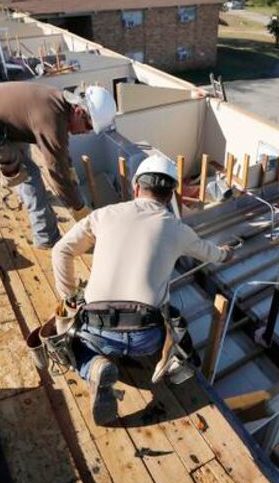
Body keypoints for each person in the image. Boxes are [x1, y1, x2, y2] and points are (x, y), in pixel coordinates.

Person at [51, 155, 234, 424]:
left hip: (96, 331)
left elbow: (61, 251)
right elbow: (214, 254)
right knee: (173, 318)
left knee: (72, 347)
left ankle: (94, 367)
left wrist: (68, 297)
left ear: (137, 187)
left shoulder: (103, 215)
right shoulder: (178, 229)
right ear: (170, 193)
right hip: (145, 340)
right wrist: (226, 253)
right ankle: (169, 363)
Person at [0, 82, 117, 248]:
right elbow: (57, 171)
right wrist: (78, 207)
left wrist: (70, 172)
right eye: (88, 126)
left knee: (24, 154)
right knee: (29, 174)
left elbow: (60, 150)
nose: (86, 132)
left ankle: (30, 198)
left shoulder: (59, 104)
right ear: (79, 111)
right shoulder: (51, 118)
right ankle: (46, 238)